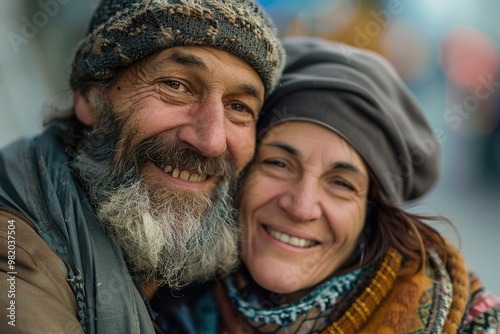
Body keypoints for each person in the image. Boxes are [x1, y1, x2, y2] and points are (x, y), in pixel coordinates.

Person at [0, 0, 284, 333]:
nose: (211, 140)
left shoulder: (207, 295)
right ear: (90, 96)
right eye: (175, 85)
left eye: (239, 106)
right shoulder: (17, 254)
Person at [192, 37, 499, 333]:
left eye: (341, 183)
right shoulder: (171, 298)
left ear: (372, 212)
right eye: (278, 164)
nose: (301, 207)